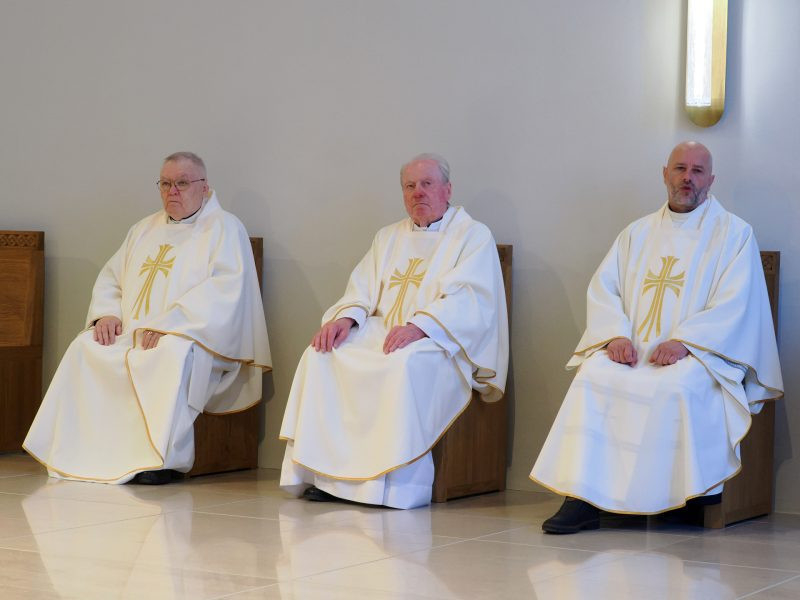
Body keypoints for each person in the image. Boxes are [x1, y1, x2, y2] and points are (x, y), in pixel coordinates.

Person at [530, 142, 783, 533]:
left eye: (697, 171)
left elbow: (737, 303)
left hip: (699, 355)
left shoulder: (734, 234)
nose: (687, 178)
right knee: (592, 376)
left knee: (678, 386)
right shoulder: (637, 233)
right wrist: (614, 335)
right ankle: (582, 499)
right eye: (680, 168)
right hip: (633, 353)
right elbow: (605, 289)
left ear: (711, 180)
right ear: (665, 174)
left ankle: (675, 499)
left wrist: (687, 342)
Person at [24, 152, 271, 484]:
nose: (172, 191)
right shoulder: (143, 229)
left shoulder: (225, 228)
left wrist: (170, 326)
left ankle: (160, 462)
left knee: (169, 355)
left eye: (182, 183)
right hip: (134, 333)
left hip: (193, 336)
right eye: (165, 183)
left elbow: (225, 291)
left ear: (204, 186)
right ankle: (84, 452)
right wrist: (106, 314)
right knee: (85, 347)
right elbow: (112, 278)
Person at [279, 153, 508, 509]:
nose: (418, 193)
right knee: (320, 354)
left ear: (447, 189)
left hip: (438, 339)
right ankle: (328, 479)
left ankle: (392, 487)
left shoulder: (472, 236)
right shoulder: (388, 237)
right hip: (382, 330)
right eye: (410, 186)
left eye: (427, 184)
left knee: (403, 363)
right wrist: (344, 319)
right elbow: (362, 288)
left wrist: (420, 326)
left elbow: (471, 298)